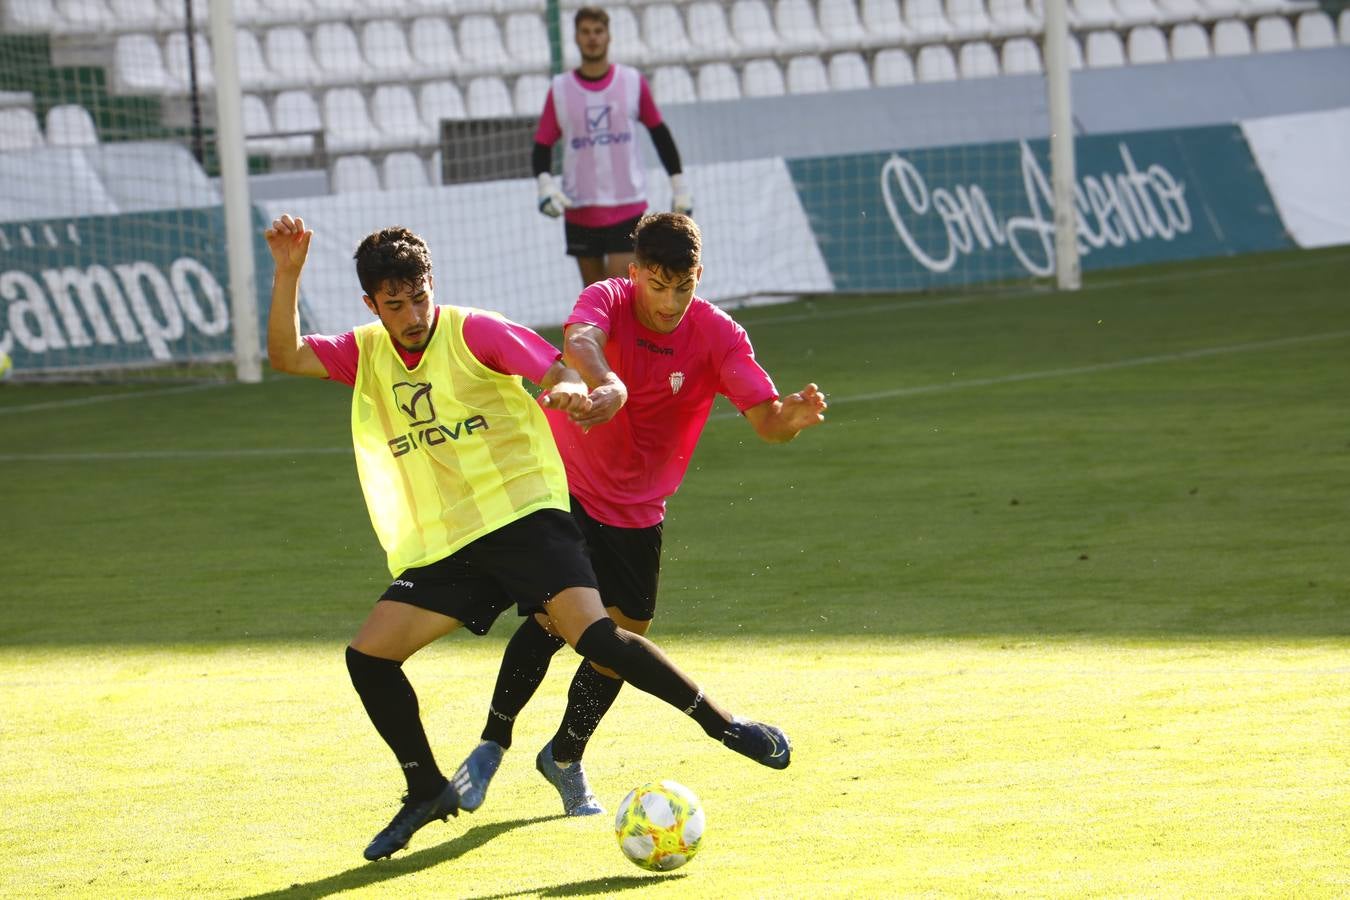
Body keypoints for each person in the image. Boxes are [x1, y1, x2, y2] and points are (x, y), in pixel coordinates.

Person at [263, 214, 790, 862]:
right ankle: (425, 787)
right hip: (455, 544)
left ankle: (725, 726)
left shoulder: (471, 330)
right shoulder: (365, 350)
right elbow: (285, 355)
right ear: (371, 305)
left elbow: (549, 364)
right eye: (394, 304)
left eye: (419, 296)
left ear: (434, 284)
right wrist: (288, 273)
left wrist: (571, 388)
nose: (412, 315)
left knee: (595, 636)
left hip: (525, 517)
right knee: (367, 658)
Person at [453, 212, 826, 817]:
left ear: (698, 275)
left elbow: (765, 419)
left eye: (684, 287)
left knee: (617, 645)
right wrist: (607, 384)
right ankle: (492, 742)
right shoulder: (606, 296)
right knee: (557, 620)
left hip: (637, 510)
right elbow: (580, 341)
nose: (670, 301)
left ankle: (564, 758)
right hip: (563, 487)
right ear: (636, 274)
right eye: (658, 286)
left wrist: (791, 420)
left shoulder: (720, 334)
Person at [534, 5, 693, 288]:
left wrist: (679, 186)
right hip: (580, 207)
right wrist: (545, 185)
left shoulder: (632, 82)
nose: (592, 38)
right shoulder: (560, 89)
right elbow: (542, 143)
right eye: (585, 32)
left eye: (598, 31)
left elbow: (660, 133)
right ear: (576, 38)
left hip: (626, 206)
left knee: (618, 294)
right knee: (595, 299)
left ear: (608, 36)